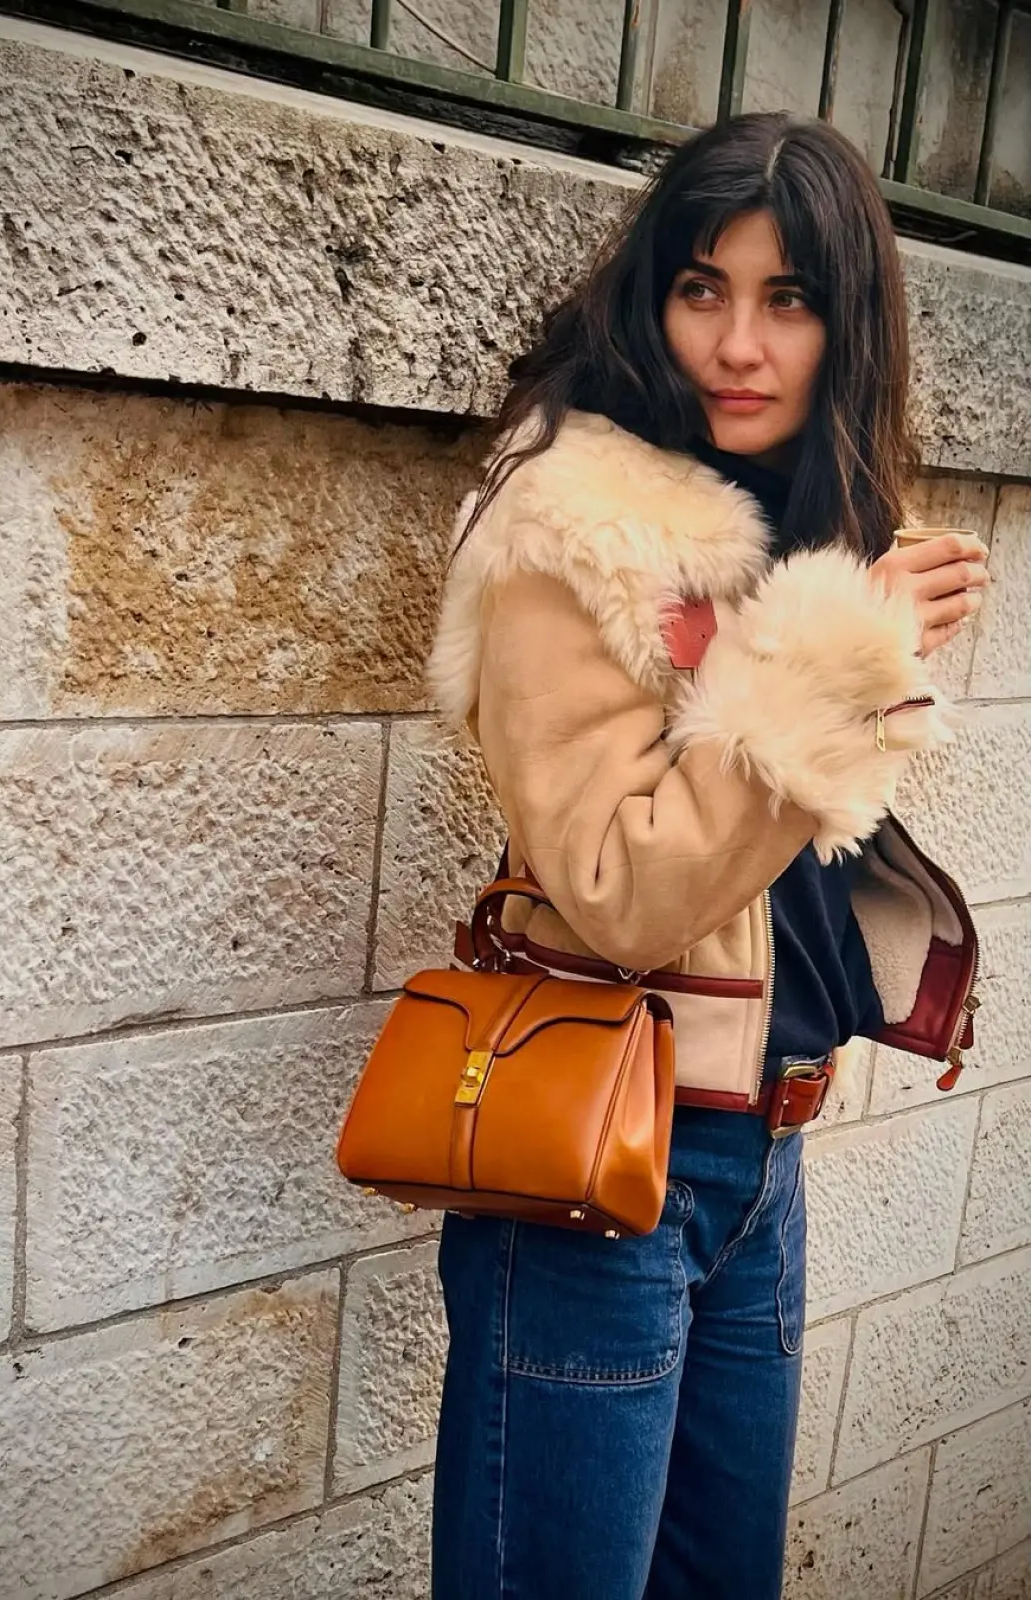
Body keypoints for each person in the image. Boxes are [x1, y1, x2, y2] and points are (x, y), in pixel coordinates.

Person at [425, 112, 988, 1600]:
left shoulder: (795, 529)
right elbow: (619, 890)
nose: (739, 344)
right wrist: (837, 659)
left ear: (847, 327)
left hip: (762, 1164)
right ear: (652, 298)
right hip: (605, 1173)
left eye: (787, 299)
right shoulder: (577, 528)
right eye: (702, 288)